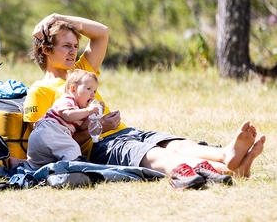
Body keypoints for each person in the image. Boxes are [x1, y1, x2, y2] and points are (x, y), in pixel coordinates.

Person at [20, 13, 266, 189]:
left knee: (173, 143)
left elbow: (102, 33)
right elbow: (46, 144)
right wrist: (97, 129)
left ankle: (224, 154)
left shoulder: (82, 70)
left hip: (125, 131)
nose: (73, 51)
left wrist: (59, 18)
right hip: (101, 146)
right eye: (66, 46)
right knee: (155, 154)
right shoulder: (40, 91)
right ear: (46, 50)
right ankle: (231, 170)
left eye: (75, 45)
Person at [10, 69, 102, 169]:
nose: (93, 94)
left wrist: (94, 115)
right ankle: (75, 168)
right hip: (50, 130)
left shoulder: (81, 111)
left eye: (94, 91)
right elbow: (67, 115)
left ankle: (19, 163)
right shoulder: (67, 99)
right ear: (73, 89)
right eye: (89, 89)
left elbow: (83, 127)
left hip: (42, 139)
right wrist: (88, 111)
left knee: (40, 164)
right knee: (72, 149)